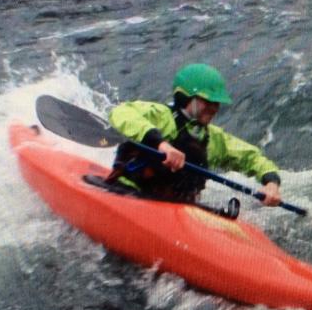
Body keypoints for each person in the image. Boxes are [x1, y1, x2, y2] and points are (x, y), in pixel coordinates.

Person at [106, 63, 283, 208]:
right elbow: (121, 113)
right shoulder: (162, 116)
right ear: (186, 97)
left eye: (217, 103)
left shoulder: (213, 139)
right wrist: (162, 145)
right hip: (128, 192)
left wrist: (271, 184)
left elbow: (252, 157)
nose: (214, 108)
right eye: (208, 101)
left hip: (179, 208)